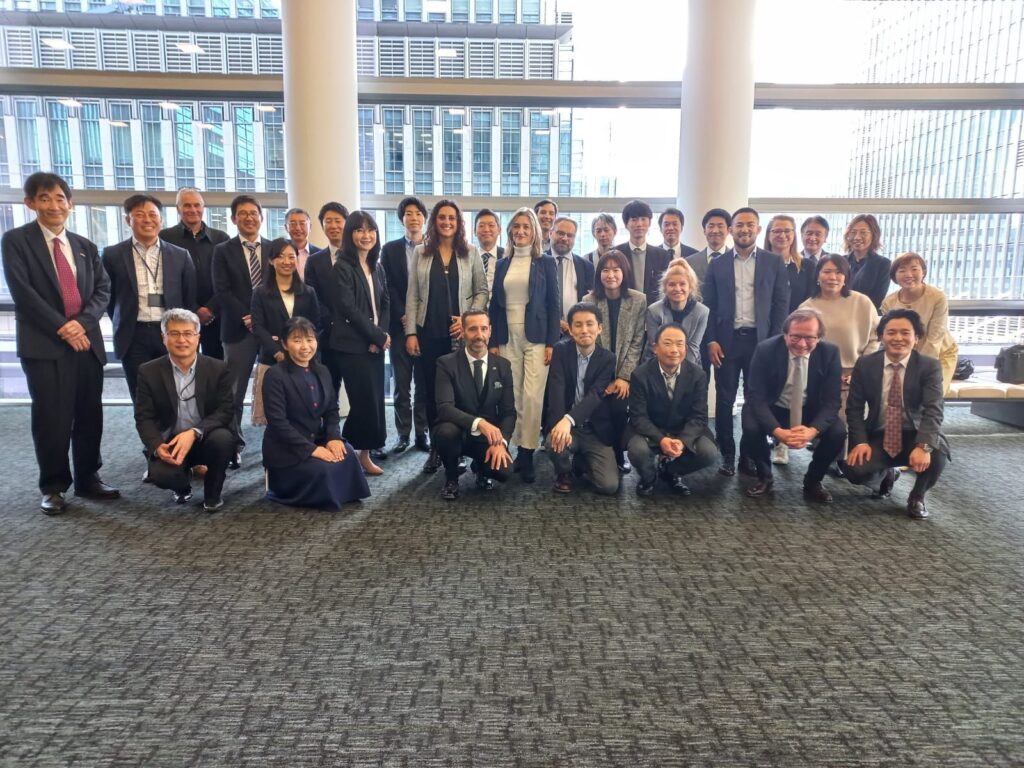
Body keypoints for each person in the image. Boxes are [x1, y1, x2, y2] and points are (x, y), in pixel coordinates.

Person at [1, 171, 119, 514]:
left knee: (89, 414)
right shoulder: (16, 241)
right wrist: (63, 327)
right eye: (44, 198)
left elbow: (103, 290)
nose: (54, 205)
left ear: (70, 204)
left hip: (86, 343)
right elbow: (23, 292)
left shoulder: (84, 246)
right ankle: (53, 486)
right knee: (52, 418)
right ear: (30, 203)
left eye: (59, 198)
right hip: (45, 345)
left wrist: (81, 324)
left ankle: (88, 478)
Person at [702, 207, 790, 477]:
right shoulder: (717, 264)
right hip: (726, 342)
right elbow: (709, 306)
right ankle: (727, 455)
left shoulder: (773, 262)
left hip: (761, 343)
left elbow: (780, 305)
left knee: (755, 400)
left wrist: (775, 342)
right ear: (731, 230)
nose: (744, 229)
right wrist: (711, 340)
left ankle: (748, 455)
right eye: (739, 225)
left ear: (758, 229)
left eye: (750, 225)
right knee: (725, 399)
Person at [405, 199, 488, 474]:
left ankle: (460, 448)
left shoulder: (470, 252)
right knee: (431, 392)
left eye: (452, 218)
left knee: (462, 393)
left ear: (459, 222)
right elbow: (412, 295)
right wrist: (411, 333)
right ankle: (437, 448)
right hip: (428, 333)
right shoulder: (421, 252)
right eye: (442, 217)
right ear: (434, 221)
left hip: (460, 336)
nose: (447, 222)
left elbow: (482, 291)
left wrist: (467, 318)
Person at [844, 309, 950, 519]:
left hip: (915, 432)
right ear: (881, 337)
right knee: (854, 471)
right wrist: (860, 441)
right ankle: (887, 474)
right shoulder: (866, 364)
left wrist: (924, 446)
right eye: (891, 332)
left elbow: (934, 409)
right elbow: (854, 408)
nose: (898, 338)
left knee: (936, 455)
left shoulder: (929, 366)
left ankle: (917, 496)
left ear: (916, 338)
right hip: (879, 433)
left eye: (905, 333)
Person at [134, 308, 238, 512]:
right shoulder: (148, 371)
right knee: (162, 476)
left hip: (206, 435)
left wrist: (194, 432)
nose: (182, 340)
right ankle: (182, 485)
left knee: (223, 440)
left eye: (188, 333)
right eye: (174, 333)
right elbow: (144, 416)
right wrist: (156, 445)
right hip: (171, 441)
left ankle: (213, 493)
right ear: (164, 338)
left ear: (198, 337)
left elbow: (226, 409)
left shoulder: (217, 368)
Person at [261, 317, 370, 509]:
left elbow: (332, 410)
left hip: (317, 438)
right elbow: (278, 423)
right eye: (297, 340)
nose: (305, 346)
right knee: (323, 469)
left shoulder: (322, 370)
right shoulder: (275, 375)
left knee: (348, 454)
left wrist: (333, 438)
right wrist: (312, 450)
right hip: (287, 448)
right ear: (285, 344)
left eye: (310, 339)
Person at [740, 308, 847, 503]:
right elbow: (756, 397)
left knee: (837, 432)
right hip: (774, 406)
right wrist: (777, 431)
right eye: (795, 336)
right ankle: (764, 477)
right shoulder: (765, 350)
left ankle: (813, 481)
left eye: (809, 338)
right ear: (785, 334)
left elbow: (832, 401)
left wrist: (813, 431)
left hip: (809, 409)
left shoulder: (830, 353)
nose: (802, 344)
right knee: (750, 425)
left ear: (819, 338)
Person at [488, 207, 559, 483]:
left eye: (526, 227)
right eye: (516, 226)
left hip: (537, 338)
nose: (520, 231)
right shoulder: (502, 264)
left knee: (532, 397)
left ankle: (528, 452)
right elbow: (495, 306)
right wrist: (494, 341)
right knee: (513, 396)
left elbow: (554, 305)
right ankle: (516, 447)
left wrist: (552, 341)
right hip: (507, 336)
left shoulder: (545, 263)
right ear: (510, 231)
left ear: (534, 232)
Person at [102, 193, 197, 401]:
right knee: (141, 394)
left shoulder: (180, 255)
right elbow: (109, 298)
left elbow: (189, 299)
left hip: (171, 333)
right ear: (128, 219)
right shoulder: (112, 255)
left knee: (174, 393)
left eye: (153, 215)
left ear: (161, 220)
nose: (147, 220)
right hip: (133, 334)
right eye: (140, 214)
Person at [799, 254, 879, 467]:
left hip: (856, 372)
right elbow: (800, 346)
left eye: (838, 272)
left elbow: (874, 338)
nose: (832, 277)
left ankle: (850, 463)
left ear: (846, 277)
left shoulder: (862, 302)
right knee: (830, 425)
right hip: (821, 376)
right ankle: (830, 461)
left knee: (854, 422)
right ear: (818, 276)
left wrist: (860, 371)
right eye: (826, 271)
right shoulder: (807, 307)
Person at [211, 194, 272, 466]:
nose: (249, 218)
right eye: (243, 213)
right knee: (233, 392)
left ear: (261, 217)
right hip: (238, 330)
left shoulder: (273, 248)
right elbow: (222, 290)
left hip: (269, 329)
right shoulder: (223, 250)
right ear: (234, 219)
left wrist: (262, 318)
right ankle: (233, 444)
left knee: (274, 387)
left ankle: (277, 440)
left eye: (253, 213)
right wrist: (248, 317)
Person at [433, 309, 516, 500]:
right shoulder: (446, 363)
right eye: (472, 329)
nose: (479, 335)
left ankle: (481, 469)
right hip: (456, 431)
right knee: (446, 433)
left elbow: (509, 412)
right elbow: (445, 408)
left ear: (490, 331)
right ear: (462, 332)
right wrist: (479, 423)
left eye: (483, 329)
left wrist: (501, 443)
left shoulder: (503, 366)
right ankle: (451, 478)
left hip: (487, 437)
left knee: (504, 472)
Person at [627, 324, 719, 497]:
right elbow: (638, 416)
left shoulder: (698, 375)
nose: (674, 350)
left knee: (709, 453)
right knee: (637, 450)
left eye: (679, 344)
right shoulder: (640, 375)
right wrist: (661, 439)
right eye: (668, 343)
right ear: (655, 348)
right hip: (653, 430)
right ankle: (648, 477)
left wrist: (683, 441)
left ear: (686, 348)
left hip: (682, 429)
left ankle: (671, 471)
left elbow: (699, 416)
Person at [333, 210, 390, 476]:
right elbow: (348, 308)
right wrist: (376, 337)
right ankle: (344, 450)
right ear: (350, 234)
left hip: (375, 345)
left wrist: (382, 335)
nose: (366, 235)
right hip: (352, 346)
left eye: (370, 230)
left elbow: (386, 303)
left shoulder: (377, 265)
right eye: (359, 230)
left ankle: (362, 454)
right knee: (363, 403)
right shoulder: (342, 266)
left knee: (375, 402)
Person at [544, 302, 620, 495]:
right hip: (565, 425)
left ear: (600, 328)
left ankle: (581, 462)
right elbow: (556, 390)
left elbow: (595, 395)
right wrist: (559, 424)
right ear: (570, 329)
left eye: (590, 324)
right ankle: (564, 472)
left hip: (594, 429)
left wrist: (569, 419)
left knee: (609, 486)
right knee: (554, 442)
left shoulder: (608, 359)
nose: (584, 330)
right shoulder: (561, 351)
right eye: (578, 325)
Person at [583, 249, 647, 474]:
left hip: (624, 373)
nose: (610, 275)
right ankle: (597, 454)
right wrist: (605, 379)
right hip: (597, 371)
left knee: (619, 409)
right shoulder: (589, 301)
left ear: (624, 272)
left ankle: (619, 454)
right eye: (605, 270)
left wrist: (623, 377)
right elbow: (590, 343)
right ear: (599, 274)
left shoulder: (638, 300)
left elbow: (637, 341)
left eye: (616, 270)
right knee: (598, 411)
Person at [250, 238, 322, 425]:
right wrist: (278, 351)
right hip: (272, 359)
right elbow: (258, 326)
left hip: (304, 359)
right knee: (275, 415)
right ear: (270, 261)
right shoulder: (260, 293)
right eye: (280, 256)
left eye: (291, 256)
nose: (286, 261)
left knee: (303, 412)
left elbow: (315, 325)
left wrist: (302, 350)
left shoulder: (308, 292)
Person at [381, 195, 430, 456]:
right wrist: (403, 314)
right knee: (401, 384)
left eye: (418, 213)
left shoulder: (434, 247)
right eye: (408, 213)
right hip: (399, 327)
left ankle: (422, 432)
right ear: (402, 219)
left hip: (427, 327)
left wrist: (418, 317)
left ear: (424, 218)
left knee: (423, 384)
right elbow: (387, 286)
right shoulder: (389, 250)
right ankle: (402, 434)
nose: (413, 218)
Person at [159, 187, 230, 359]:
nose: (193, 210)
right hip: (179, 315)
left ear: (203, 208)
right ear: (178, 208)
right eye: (187, 205)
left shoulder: (221, 238)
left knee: (215, 365)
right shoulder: (164, 238)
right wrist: (194, 309)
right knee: (182, 362)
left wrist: (211, 308)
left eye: (197, 205)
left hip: (216, 315)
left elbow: (229, 277)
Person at [881, 252, 959, 395]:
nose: (908, 274)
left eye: (914, 269)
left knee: (932, 394)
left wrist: (917, 369)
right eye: (902, 270)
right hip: (903, 355)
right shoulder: (889, 302)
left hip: (940, 354)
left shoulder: (937, 297)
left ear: (923, 272)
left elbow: (935, 337)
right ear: (894, 276)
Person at [304, 202, 349, 397]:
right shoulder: (314, 260)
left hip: (356, 337)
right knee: (329, 391)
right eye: (328, 221)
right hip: (328, 336)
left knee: (359, 392)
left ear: (346, 223)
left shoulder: (360, 257)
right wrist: (332, 322)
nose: (333, 226)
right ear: (322, 226)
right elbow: (313, 297)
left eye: (338, 221)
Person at [686, 208, 731, 380]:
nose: (715, 230)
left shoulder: (736, 261)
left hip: (726, 331)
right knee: (697, 382)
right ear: (704, 230)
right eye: (710, 226)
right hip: (696, 331)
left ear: (729, 230)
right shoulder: (690, 262)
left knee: (726, 386)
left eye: (720, 226)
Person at [644, 258, 709, 366]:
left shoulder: (702, 312)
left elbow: (692, 349)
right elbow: (656, 348)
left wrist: (680, 374)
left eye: (682, 284)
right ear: (665, 288)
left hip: (690, 365)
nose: (677, 289)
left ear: (690, 287)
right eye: (672, 284)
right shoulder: (653, 311)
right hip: (656, 364)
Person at [614, 199, 671, 306]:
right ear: (626, 224)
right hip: (623, 309)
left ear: (649, 223)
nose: (639, 224)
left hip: (653, 310)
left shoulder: (662, 255)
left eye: (643, 219)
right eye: (634, 220)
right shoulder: (616, 253)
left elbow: (664, 288)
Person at [550, 216, 595, 334]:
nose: (565, 238)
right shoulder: (538, 262)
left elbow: (590, 302)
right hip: (544, 330)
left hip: (575, 331)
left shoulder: (586, 266)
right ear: (551, 233)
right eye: (560, 233)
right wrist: (555, 321)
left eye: (570, 235)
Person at [763, 214, 813, 313]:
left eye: (787, 231)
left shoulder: (808, 266)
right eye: (777, 231)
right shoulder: (759, 265)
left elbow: (810, 301)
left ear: (794, 235)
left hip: (798, 320)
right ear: (768, 235)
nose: (782, 235)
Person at [844, 213, 892, 312]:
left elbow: (877, 300)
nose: (857, 237)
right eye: (853, 232)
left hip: (867, 315)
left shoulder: (883, 264)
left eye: (863, 233)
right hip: (840, 313)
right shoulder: (841, 262)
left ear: (874, 235)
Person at [283, 207, 320, 279]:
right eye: (293, 223)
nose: (298, 228)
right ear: (286, 227)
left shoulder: (320, 255)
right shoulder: (278, 255)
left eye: (302, 223)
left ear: (310, 227)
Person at [473, 208, 503, 294]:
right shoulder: (468, 257)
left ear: (499, 230)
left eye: (491, 225)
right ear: (474, 231)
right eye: (481, 226)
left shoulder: (507, 256)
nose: (486, 229)